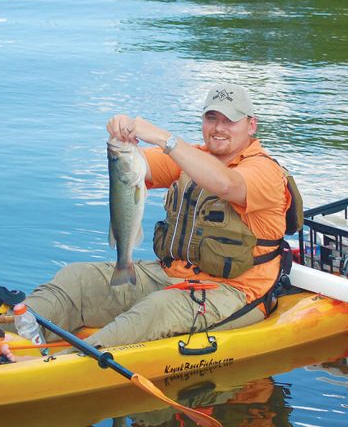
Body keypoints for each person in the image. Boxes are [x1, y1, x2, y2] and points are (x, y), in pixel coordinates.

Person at [23, 82, 291, 349]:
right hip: (172, 275)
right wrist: (122, 136)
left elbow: (227, 184)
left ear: (251, 125)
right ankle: (10, 333)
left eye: (230, 120)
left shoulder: (265, 171)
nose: (219, 128)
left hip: (236, 292)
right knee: (76, 278)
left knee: (156, 308)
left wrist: (164, 138)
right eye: (212, 118)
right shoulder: (192, 157)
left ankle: (69, 363)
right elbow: (132, 166)